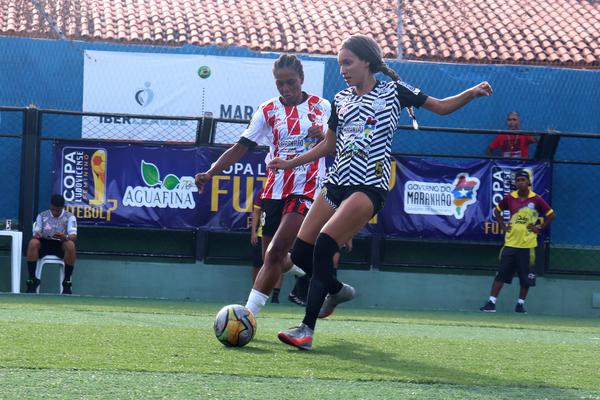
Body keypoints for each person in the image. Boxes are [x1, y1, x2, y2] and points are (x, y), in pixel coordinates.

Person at [272, 34, 493, 350]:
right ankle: (336, 289)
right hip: (336, 183)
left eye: (348, 62)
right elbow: (329, 145)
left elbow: (441, 107)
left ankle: (306, 330)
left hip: (369, 186)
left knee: (323, 245)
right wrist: (290, 163)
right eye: (340, 65)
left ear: (367, 62)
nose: (343, 69)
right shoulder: (342, 99)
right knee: (302, 254)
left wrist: (471, 93)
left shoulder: (394, 91)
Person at [195, 54, 331, 317]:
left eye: (291, 82)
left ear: (301, 79)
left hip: (307, 186)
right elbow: (240, 148)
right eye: (280, 84)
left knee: (277, 250)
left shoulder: (321, 106)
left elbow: (338, 139)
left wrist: (324, 133)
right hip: (274, 188)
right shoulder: (267, 110)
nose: (286, 89)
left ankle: (246, 316)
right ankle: (309, 276)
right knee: (275, 257)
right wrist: (210, 172)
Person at [480, 170, 554, 313]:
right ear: (515, 183)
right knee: (501, 274)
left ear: (528, 182)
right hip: (510, 244)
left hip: (528, 246)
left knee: (525, 278)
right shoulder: (509, 198)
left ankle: (520, 305)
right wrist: (502, 225)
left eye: (523, 180)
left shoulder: (536, 199)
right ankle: (491, 303)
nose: (520, 182)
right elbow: (497, 211)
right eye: (518, 180)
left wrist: (539, 226)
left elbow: (551, 215)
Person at [25, 194, 78, 294]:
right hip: (45, 243)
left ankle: (66, 282)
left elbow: (74, 236)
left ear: (62, 207)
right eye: (53, 209)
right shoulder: (42, 215)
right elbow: (36, 233)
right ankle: (32, 280)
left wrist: (65, 237)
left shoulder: (70, 217)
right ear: (50, 206)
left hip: (60, 244)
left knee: (70, 245)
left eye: (57, 210)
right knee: (33, 243)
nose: (55, 212)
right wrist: (37, 234)